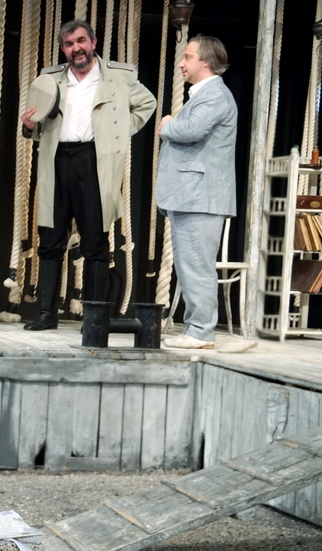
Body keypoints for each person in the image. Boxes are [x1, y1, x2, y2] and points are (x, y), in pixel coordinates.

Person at [21, 19, 156, 331]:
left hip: (93, 160)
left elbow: (146, 104)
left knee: (95, 240)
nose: (76, 48)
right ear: (63, 49)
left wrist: (117, 132)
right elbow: (36, 124)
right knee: (51, 239)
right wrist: (29, 127)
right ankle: (47, 314)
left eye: (81, 41)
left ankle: (94, 319)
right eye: (69, 44)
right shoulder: (49, 79)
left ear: (93, 43)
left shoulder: (118, 77)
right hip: (57, 159)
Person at [156, 35, 238, 350]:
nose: (181, 63)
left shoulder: (214, 94)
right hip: (192, 195)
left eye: (188, 57)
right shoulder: (205, 95)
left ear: (205, 61)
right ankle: (196, 329)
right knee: (190, 264)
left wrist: (167, 125)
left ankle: (201, 332)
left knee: (196, 265)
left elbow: (192, 130)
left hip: (200, 197)